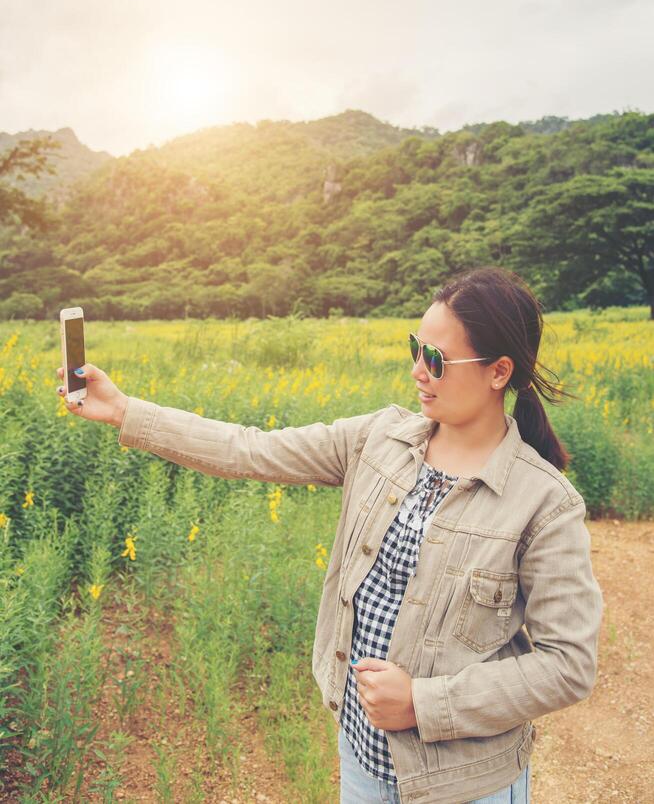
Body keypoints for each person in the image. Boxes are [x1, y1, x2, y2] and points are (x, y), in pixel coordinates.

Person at [56, 266, 603, 804]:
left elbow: (567, 664)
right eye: (415, 348)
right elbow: (250, 449)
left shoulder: (545, 503)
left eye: (435, 359)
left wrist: (424, 702)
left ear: (499, 372)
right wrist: (127, 411)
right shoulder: (377, 438)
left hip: (465, 784)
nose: (418, 370)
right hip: (362, 757)